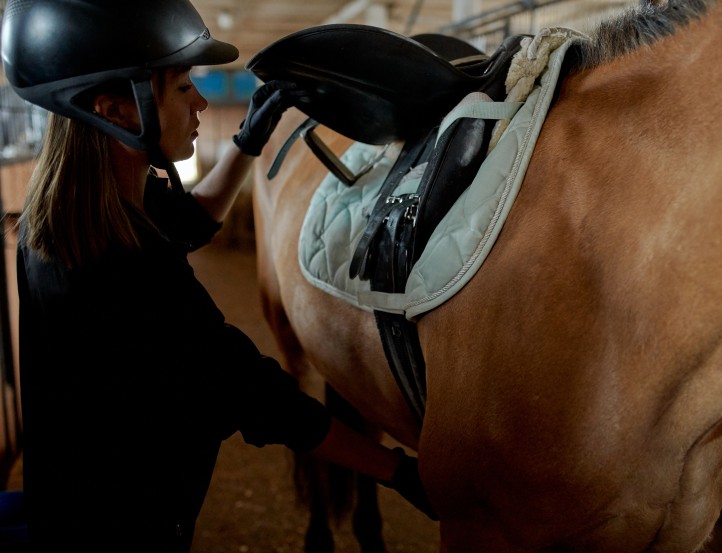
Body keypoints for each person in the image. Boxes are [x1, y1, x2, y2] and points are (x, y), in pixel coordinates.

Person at [0, 1, 436, 551]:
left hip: (71, 509)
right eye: (183, 87)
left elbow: (188, 219)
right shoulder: (128, 273)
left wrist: (249, 141)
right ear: (116, 109)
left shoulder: (69, 218)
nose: (202, 103)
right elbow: (253, 393)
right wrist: (399, 472)